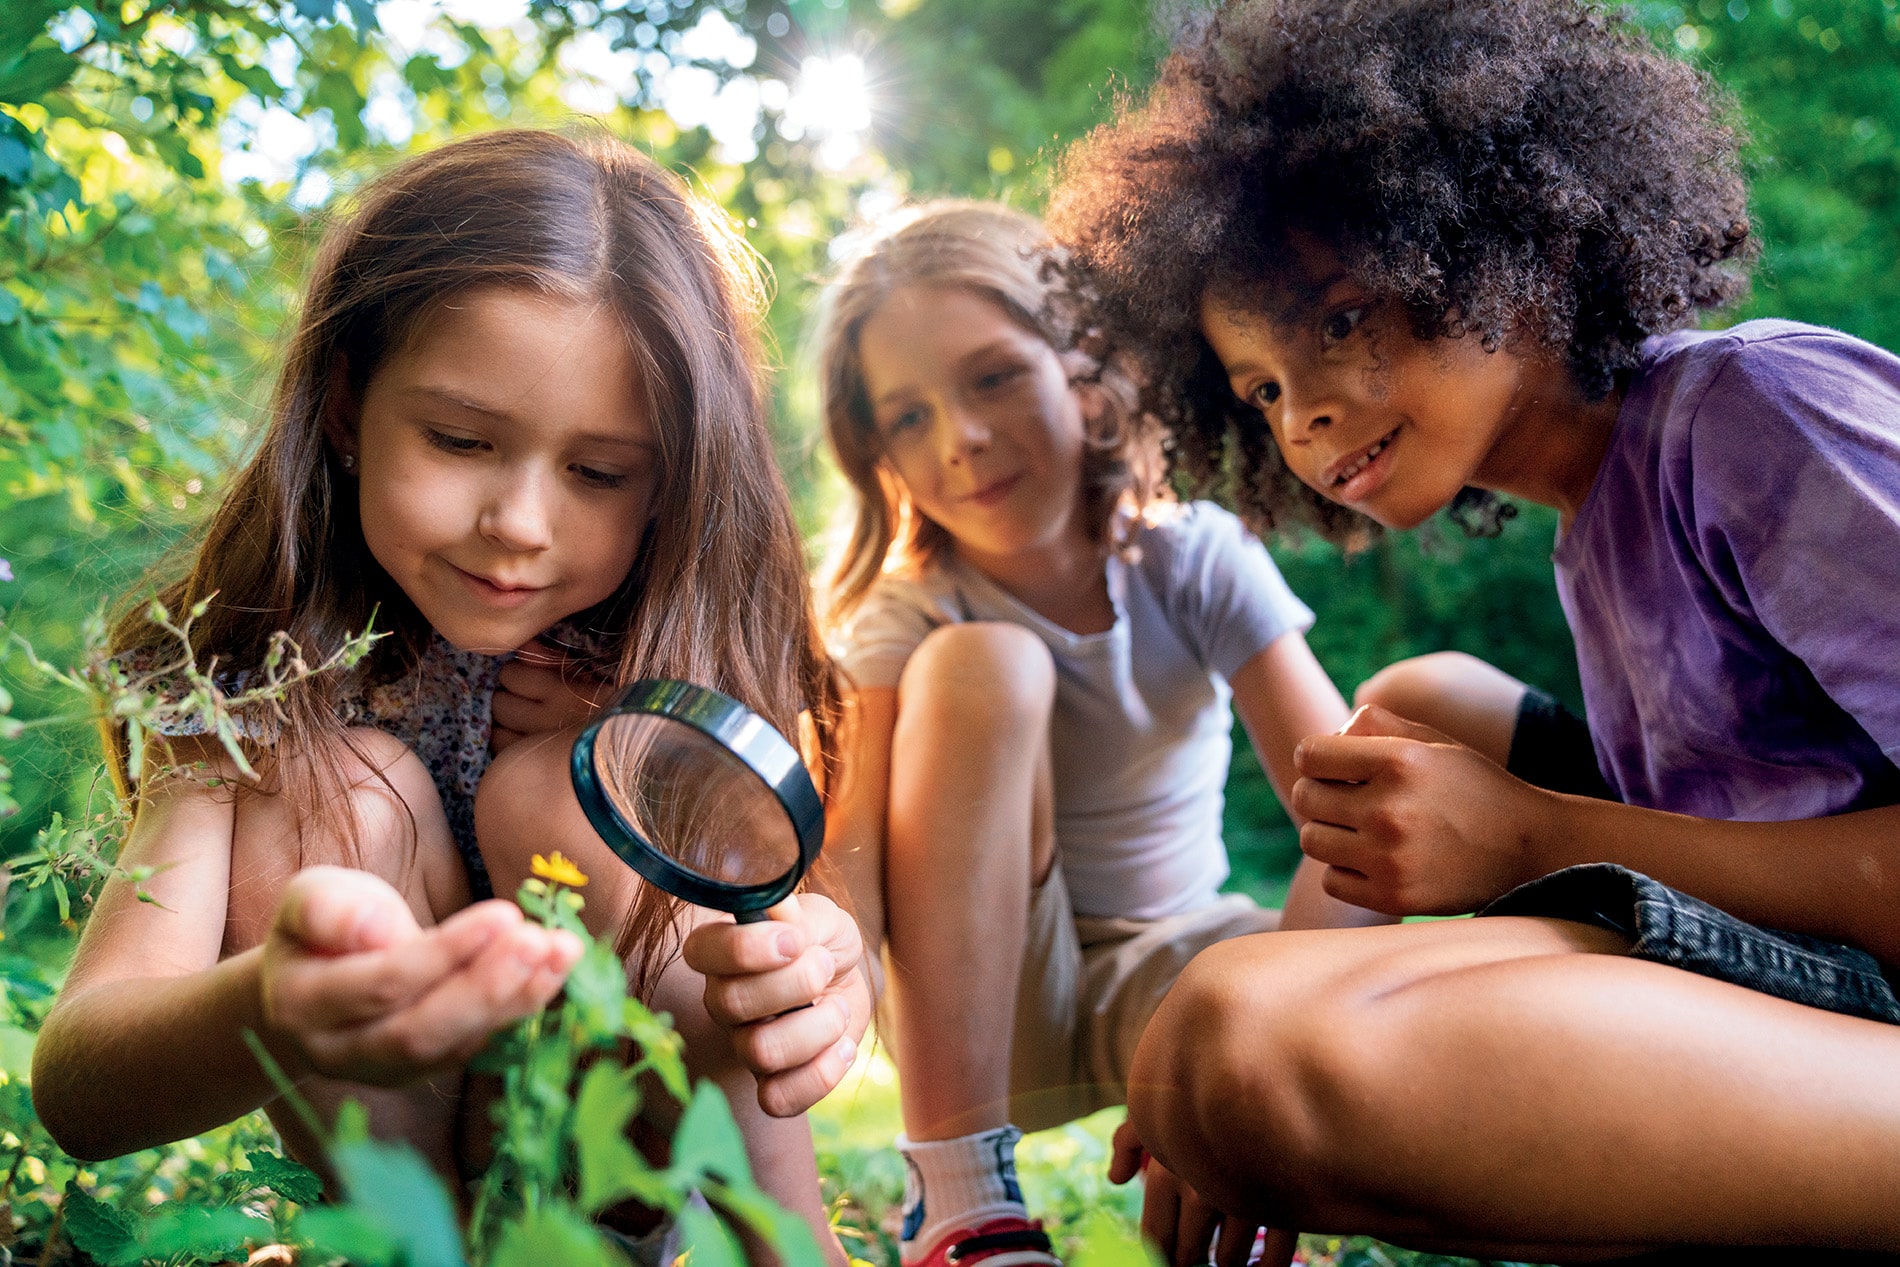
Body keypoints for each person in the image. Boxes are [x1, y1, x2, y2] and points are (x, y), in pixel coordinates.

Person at [1037, 0, 1900, 1259]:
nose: (1305, 416)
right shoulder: (1595, 525)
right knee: (1415, 706)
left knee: (1242, 1044)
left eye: (1338, 321)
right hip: (1806, 978)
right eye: (1261, 390)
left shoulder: (1746, 410)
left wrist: (1535, 837)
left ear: (1506, 240)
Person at [32, 129, 852, 1259]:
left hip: (616, 1191)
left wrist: (811, 968)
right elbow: (80, 1079)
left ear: (669, 481)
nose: (518, 522)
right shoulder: (248, 682)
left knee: (570, 789)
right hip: (406, 1189)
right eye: (461, 439)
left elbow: (772, 934)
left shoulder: (666, 662)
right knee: (322, 778)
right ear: (344, 407)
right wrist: (272, 1006)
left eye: (598, 472)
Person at [697, 200, 1378, 1267]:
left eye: (991, 378)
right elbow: (852, 872)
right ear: (878, 451)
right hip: (995, 1010)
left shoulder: (1193, 556)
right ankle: (961, 1197)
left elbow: (1353, 820)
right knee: (986, 664)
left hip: (1185, 978)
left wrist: (1252, 1050)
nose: (959, 440)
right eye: (908, 417)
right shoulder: (908, 612)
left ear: (1084, 363)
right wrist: (818, 969)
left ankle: (1236, 1137)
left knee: (1363, 881)